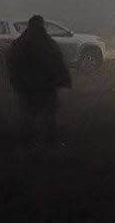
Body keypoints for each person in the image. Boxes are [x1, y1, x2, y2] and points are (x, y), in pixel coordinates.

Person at [7, 15, 71, 147]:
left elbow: (12, 63)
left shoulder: (20, 43)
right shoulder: (48, 43)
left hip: (28, 86)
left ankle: (30, 140)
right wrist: (62, 80)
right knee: (47, 114)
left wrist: (16, 82)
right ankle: (48, 140)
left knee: (30, 114)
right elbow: (58, 62)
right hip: (45, 86)